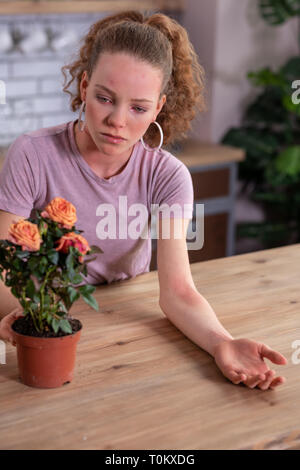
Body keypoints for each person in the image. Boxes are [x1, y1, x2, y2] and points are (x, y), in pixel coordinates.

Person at [0, 10, 287, 390]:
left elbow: (177, 292)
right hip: (44, 319)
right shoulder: (33, 154)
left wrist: (223, 343)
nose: (117, 120)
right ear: (84, 87)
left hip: (121, 321)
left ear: (158, 107)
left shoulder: (167, 176)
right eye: (104, 98)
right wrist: (25, 317)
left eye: (138, 107)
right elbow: (3, 263)